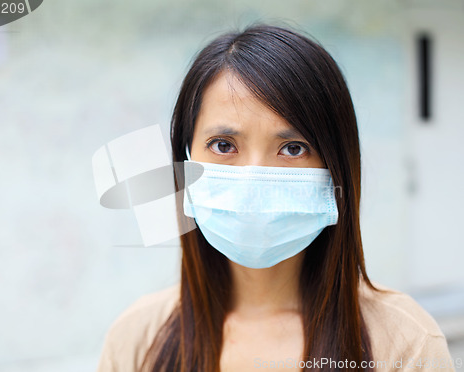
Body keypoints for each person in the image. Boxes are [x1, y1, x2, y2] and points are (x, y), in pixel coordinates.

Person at [96, 24, 455, 372]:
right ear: (185, 162)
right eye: (223, 146)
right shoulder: (138, 340)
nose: (253, 178)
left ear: (336, 168)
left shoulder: (405, 345)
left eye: (293, 148)